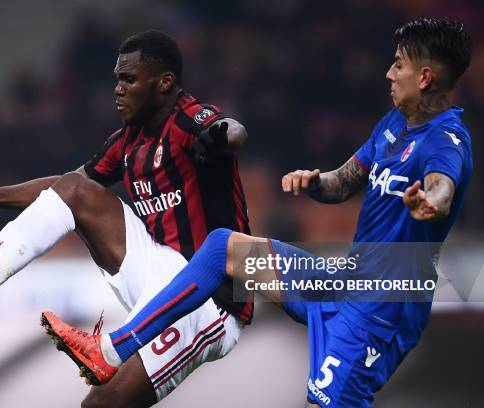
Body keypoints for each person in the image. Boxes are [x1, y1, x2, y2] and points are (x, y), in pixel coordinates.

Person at [52, 18, 473, 407]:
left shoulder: (446, 140)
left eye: (398, 65)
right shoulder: (393, 125)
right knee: (223, 249)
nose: (389, 73)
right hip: (347, 280)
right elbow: (344, 181)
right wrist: (314, 182)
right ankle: (112, 349)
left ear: (425, 76)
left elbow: (443, 188)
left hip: (385, 306)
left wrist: (430, 202)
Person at [0, 30, 253, 407]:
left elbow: (234, 129)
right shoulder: (127, 140)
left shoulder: (191, 122)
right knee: (76, 189)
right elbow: (62, 188)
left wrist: (221, 137)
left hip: (210, 298)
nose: (118, 90)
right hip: (158, 272)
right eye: (116, 80)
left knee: (100, 405)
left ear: (165, 82)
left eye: (129, 79)